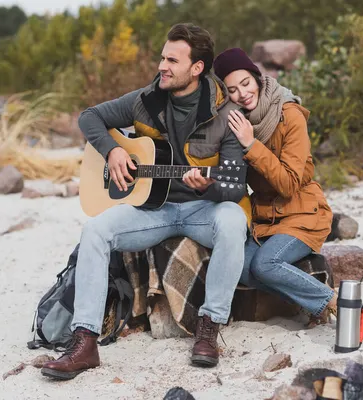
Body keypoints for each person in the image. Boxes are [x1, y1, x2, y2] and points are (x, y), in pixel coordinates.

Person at [41, 24, 250, 380]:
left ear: (196, 68)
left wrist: (206, 187)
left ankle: (210, 326)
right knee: (95, 229)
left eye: (172, 60)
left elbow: (233, 187)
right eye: (162, 57)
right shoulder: (144, 100)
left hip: (203, 210)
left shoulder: (226, 115)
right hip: (154, 209)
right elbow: (89, 117)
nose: (162, 66)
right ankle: (85, 340)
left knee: (232, 218)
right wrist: (113, 152)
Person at [212, 48, 337, 328]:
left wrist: (251, 145)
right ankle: (306, 299)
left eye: (246, 83)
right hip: (265, 218)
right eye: (232, 90)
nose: (243, 94)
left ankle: (331, 301)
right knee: (238, 266)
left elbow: (289, 184)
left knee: (264, 265)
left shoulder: (289, 115)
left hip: (303, 215)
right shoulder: (237, 123)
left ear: (257, 78)